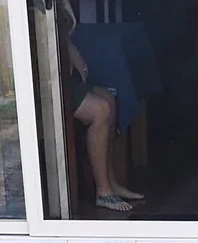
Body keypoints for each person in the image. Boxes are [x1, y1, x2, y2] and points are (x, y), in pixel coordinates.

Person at [57, 0, 142, 213]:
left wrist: (75, 57)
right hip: (50, 81)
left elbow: (63, 36)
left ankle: (110, 181)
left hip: (66, 75)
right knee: (100, 110)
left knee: (109, 99)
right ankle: (103, 193)